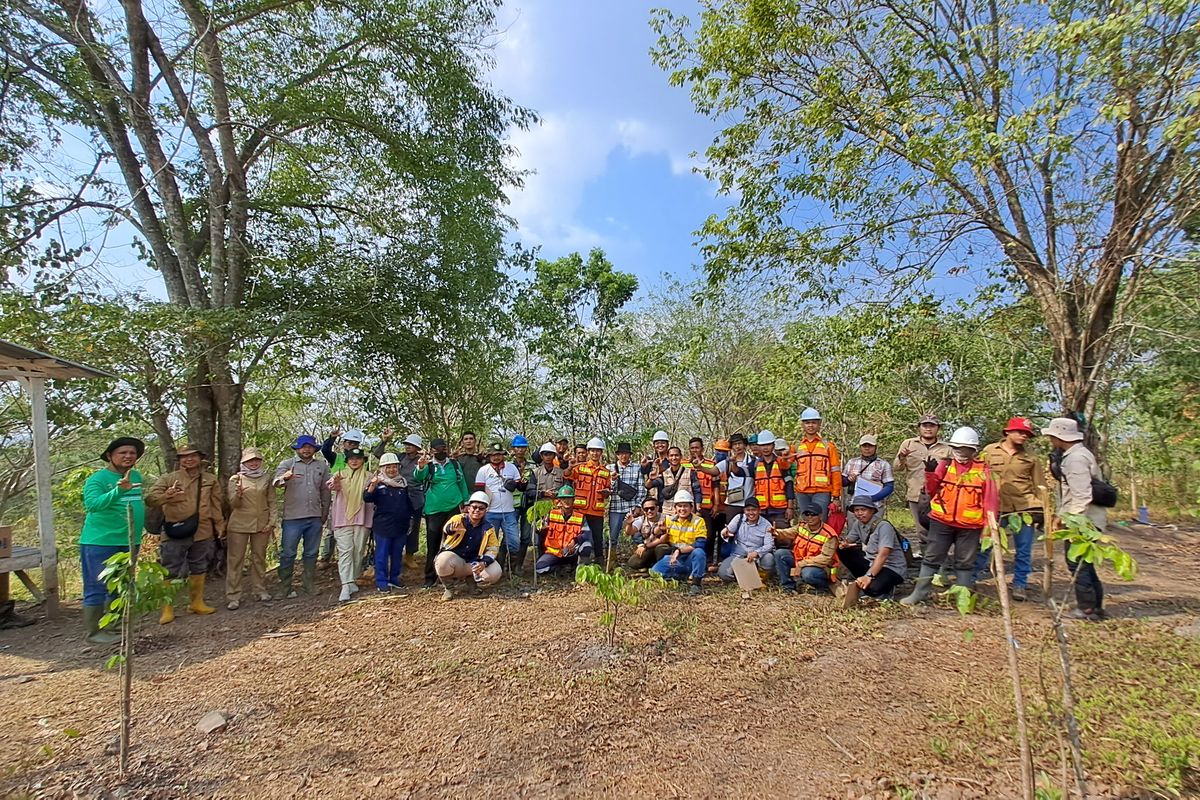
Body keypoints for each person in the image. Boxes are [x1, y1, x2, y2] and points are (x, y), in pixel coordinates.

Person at [901, 427, 998, 606]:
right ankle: (919, 593)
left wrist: (988, 528)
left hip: (970, 525)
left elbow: (990, 501)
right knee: (931, 557)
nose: (961, 452)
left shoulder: (983, 471)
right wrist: (930, 474)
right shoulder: (945, 465)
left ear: (973, 450)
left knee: (965, 562)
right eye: (957, 448)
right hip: (941, 521)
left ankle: (962, 598)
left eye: (965, 448)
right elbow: (930, 490)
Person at [144, 443, 225, 623]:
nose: (189, 459)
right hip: (175, 530)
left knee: (199, 566)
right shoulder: (168, 479)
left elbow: (216, 503)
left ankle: (196, 603)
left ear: (200, 458)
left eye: (193, 456)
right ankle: (167, 609)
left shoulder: (210, 479)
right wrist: (167, 496)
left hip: (203, 530)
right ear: (179, 460)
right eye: (184, 456)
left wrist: (219, 524)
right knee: (170, 569)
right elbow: (150, 500)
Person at [78, 437, 146, 643]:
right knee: (97, 586)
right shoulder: (98, 479)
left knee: (122, 585)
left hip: (129, 540)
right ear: (110, 456)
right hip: (100, 541)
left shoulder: (135, 475)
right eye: (122, 453)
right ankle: (94, 633)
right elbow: (93, 504)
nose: (128, 456)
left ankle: (116, 628)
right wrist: (118, 490)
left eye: (132, 453)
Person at [1043, 417, 1108, 621]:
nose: (1051, 440)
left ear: (1060, 437)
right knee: (1084, 564)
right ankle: (1094, 606)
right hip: (1085, 519)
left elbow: (1081, 495)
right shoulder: (1078, 454)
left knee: (1077, 563)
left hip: (1082, 522)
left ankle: (1087, 609)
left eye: (1053, 436)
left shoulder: (1076, 459)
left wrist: (1070, 521)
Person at [975, 417, 1044, 601]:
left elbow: (1039, 486)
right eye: (1020, 432)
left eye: (1027, 434)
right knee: (985, 545)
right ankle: (971, 579)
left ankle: (1020, 584)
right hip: (994, 507)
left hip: (1023, 508)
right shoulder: (989, 451)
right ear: (1008, 432)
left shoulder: (1031, 457)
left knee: (1023, 549)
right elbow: (978, 476)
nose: (1023, 436)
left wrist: (1043, 511)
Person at [272, 434, 331, 599]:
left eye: (310, 446)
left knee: (311, 553)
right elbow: (276, 482)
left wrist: (324, 512)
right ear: (297, 448)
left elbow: (326, 490)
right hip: (292, 517)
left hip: (314, 516)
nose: (306, 449)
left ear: (314, 449)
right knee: (288, 553)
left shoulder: (321, 466)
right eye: (303, 446)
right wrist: (284, 478)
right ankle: (284, 586)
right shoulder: (287, 464)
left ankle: (309, 583)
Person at [412, 438, 470, 589]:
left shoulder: (454, 464)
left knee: (455, 541)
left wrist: (466, 503)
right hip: (434, 509)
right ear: (432, 451)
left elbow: (462, 483)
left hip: (454, 507)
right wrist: (420, 467)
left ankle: (454, 574)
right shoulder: (429, 466)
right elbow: (418, 478)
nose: (441, 451)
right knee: (433, 543)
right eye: (438, 449)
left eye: (443, 448)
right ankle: (430, 578)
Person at [893, 414, 950, 559]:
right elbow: (897, 468)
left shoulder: (947, 448)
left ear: (938, 428)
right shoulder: (908, 444)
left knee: (940, 529)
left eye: (932, 426)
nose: (928, 429)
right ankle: (928, 561)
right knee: (921, 531)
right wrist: (902, 457)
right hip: (916, 494)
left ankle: (940, 562)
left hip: (940, 495)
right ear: (919, 428)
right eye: (925, 425)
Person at [225, 447, 275, 610]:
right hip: (239, 523)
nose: (253, 463)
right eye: (250, 461)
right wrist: (238, 495)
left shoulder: (266, 477)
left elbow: (272, 501)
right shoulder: (236, 479)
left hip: (261, 523)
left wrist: (272, 521)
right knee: (235, 560)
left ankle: (259, 590)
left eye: (256, 460)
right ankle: (233, 595)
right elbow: (233, 504)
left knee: (259, 558)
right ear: (243, 462)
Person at [838, 495, 908, 606]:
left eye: (863, 510)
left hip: (891, 567)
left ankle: (884, 588)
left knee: (872, 589)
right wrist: (843, 543)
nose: (860, 513)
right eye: (857, 510)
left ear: (872, 511)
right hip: (871, 562)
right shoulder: (858, 524)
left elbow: (883, 554)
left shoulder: (884, 526)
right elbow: (849, 539)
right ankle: (863, 579)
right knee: (843, 551)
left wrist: (869, 576)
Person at [373, 431, 425, 571]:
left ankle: (409, 555)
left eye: (411, 445)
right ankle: (392, 555)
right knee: (395, 525)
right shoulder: (399, 457)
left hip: (415, 497)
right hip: (394, 495)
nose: (408, 447)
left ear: (418, 448)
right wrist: (385, 440)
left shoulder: (422, 460)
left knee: (413, 527)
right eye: (407, 444)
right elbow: (378, 453)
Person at [435, 491, 502, 600]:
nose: (477, 510)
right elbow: (446, 528)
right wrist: (451, 529)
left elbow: (493, 548)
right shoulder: (459, 519)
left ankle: (472, 583)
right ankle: (449, 588)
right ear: (469, 508)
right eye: (474, 507)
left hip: (474, 562)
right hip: (456, 560)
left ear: (486, 511)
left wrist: (484, 562)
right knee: (442, 561)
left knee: (495, 572)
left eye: (481, 508)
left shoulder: (488, 528)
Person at [328, 448, 375, 602]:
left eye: (358, 458)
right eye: (351, 458)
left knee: (358, 551)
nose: (354, 461)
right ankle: (345, 585)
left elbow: (374, 494)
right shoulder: (340, 475)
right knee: (345, 551)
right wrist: (334, 482)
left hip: (362, 518)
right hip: (343, 519)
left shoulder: (369, 476)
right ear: (347, 461)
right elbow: (331, 485)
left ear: (363, 460)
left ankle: (352, 579)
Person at [364, 452, 413, 592]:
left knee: (397, 554)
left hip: (400, 525)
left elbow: (407, 503)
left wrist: (410, 519)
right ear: (382, 468)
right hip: (383, 525)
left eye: (394, 467)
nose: (392, 470)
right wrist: (373, 485)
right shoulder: (377, 483)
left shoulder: (402, 483)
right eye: (388, 467)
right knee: (382, 555)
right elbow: (367, 497)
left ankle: (394, 579)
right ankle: (382, 581)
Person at [318, 426, 365, 564]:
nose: (351, 445)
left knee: (356, 528)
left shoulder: (362, 459)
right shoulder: (336, 458)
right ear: (344, 443)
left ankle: (353, 558)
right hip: (337, 497)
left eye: (355, 443)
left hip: (356, 498)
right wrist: (332, 438)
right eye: (349, 442)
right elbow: (325, 450)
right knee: (332, 527)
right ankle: (326, 557)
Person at [649, 491, 709, 596]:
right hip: (676, 558)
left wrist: (679, 551)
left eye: (685, 506)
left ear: (691, 507)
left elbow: (700, 543)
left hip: (690, 557)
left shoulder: (698, 521)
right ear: (675, 508)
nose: (682, 509)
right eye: (679, 506)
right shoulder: (670, 520)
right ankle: (682, 576)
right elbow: (658, 536)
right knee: (654, 572)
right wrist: (660, 529)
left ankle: (696, 584)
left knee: (699, 552)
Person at [474, 443, 523, 569]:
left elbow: (520, 486)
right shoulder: (483, 470)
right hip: (490, 512)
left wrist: (518, 484)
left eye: (499, 454)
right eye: (493, 455)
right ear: (489, 456)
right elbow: (479, 492)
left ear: (503, 455)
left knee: (514, 542)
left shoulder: (511, 468)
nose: (496, 457)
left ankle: (511, 568)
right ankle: (493, 568)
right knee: (490, 543)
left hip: (509, 511)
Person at [563, 437, 612, 563]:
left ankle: (599, 562)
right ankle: (573, 561)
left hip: (597, 511)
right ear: (588, 452)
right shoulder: (579, 468)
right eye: (592, 451)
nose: (595, 453)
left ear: (601, 453)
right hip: (580, 510)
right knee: (577, 536)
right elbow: (567, 475)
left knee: (597, 537)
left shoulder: (606, 472)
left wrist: (607, 492)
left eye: (598, 451)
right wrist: (570, 467)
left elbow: (608, 489)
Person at [729, 429, 794, 525]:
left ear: (773, 446)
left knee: (782, 538)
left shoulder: (781, 463)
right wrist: (734, 463)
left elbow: (789, 486)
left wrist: (790, 507)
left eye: (768, 445)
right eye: (763, 445)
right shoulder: (755, 464)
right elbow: (739, 472)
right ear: (759, 446)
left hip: (780, 511)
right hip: (761, 512)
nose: (765, 448)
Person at [773, 508, 839, 594]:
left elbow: (825, 558)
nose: (809, 517)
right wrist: (776, 532)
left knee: (808, 574)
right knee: (780, 553)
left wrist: (802, 564)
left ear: (820, 516)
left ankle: (823, 588)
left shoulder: (829, 534)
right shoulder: (802, 526)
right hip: (800, 561)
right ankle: (788, 587)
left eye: (813, 515)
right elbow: (788, 532)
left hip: (822, 568)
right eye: (807, 515)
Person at [793, 407, 841, 520]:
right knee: (805, 522)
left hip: (822, 491)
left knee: (819, 521)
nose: (810, 425)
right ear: (802, 425)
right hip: (802, 492)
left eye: (814, 422)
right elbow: (785, 466)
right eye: (807, 422)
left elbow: (836, 472)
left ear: (819, 424)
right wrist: (784, 457)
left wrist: (836, 495)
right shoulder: (796, 447)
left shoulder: (828, 446)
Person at [716, 497, 776, 583]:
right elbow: (727, 531)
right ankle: (745, 578)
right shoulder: (739, 518)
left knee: (769, 558)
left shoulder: (766, 525)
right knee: (723, 574)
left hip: (756, 558)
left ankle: (759, 579)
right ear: (744, 510)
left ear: (759, 510)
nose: (751, 513)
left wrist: (756, 553)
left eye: (754, 510)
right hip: (738, 555)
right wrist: (724, 533)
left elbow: (769, 545)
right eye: (748, 510)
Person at [535, 486, 592, 575]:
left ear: (573, 500)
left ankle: (580, 572)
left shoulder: (580, 516)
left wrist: (575, 541)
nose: (566, 501)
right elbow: (540, 531)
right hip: (554, 552)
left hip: (572, 552)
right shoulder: (551, 514)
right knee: (539, 568)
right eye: (564, 498)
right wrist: (540, 529)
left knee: (586, 545)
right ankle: (559, 569)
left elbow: (587, 534)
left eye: (569, 498)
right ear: (560, 501)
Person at [684, 437, 723, 565]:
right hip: (686, 507)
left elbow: (716, 485)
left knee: (709, 534)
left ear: (703, 449)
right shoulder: (684, 464)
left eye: (697, 447)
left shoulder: (711, 464)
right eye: (692, 448)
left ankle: (708, 560)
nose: (695, 450)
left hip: (706, 506)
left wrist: (716, 504)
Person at [608, 442, 645, 559]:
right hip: (615, 507)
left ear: (630, 455)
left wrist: (638, 506)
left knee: (637, 535)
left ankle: (639, 559)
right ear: (617, 455)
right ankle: (611, 560)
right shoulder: (609, 468)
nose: (623, 456)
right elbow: (606, 488)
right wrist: (612, 480)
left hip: (631, 507)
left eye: (626, 453)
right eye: (621, 454)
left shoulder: (637, 468)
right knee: (613, 536)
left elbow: (641, 488)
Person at [645, 446, 702, 519]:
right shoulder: (664, 474)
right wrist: (650, 479)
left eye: (676, 455)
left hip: (686, 511)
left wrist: (698, 509)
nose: (674, 458)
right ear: (668, 457)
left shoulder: (690, 473)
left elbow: (697, 491)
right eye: (671, 455)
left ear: (681, 456)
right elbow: (648, 486)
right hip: (668, 512)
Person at [841, 435, 894, 511]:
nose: (867, 448)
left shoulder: (884, 464)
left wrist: (872, 498)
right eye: (864, 446)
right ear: (860, 447)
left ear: (875, 447)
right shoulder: (852, 462)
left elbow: (889, 487)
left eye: (870, 446)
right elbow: (842, 482)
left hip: (875, 506)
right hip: (854, 505)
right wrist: (849, 479)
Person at [717, 433, 753, 543]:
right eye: (735, 444)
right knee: (730, 532)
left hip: (749, 503)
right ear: (731, 447)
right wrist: (699, 466)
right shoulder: (727, 462)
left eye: (740, 443)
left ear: (745, 445)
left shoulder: (754, 461)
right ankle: (729, 557)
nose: (738, 447)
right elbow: (714, 471)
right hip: (733, 504)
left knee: (750, 532)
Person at [510, 436, 537, 572]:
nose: (520, 450)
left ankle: (519, 565)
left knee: (526, 536)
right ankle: (507, 564)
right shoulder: (507, 465)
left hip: (529, 504)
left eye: (522, 447)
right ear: (513, 449)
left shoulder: (532, 465)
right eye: (517, 447)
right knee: (511, 536)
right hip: (512, 505)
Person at [625, 498, 669, 570]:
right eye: (646, 509)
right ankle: (651, 565)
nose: (649, 511)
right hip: (648, 547)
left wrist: (645, 546)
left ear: (657, 508)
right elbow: (629, 532)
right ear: (643, 510)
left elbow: (662, 540)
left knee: (661, 549)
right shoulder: (641, 519)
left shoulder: (666, 519)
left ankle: (661, 568)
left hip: (662, 546)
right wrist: (629, 524)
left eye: (652, 508)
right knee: (633, 562)